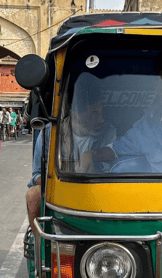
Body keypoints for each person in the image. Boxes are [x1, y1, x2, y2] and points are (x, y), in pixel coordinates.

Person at [25, 73, 117, 238]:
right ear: (77, 113)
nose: (101, 119)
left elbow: (113, 168)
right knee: (33, 195)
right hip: (60, 190)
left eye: (102, 112)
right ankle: (39, 243)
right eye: (95, 113)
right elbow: (37, 174)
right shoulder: (49, 133)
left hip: (97, 190)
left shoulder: (108, 132)